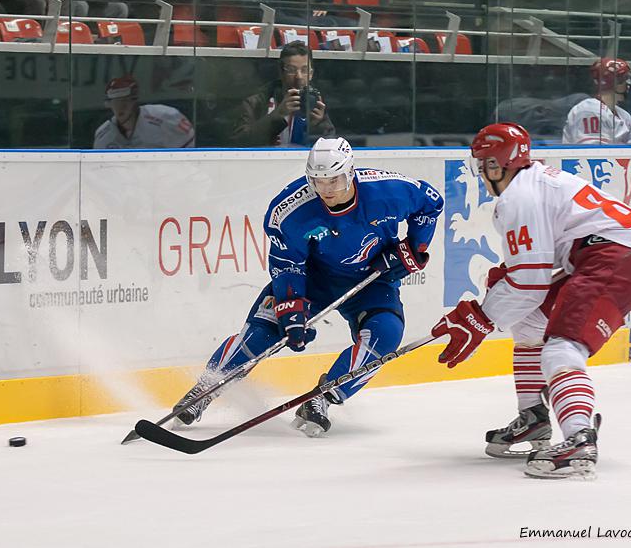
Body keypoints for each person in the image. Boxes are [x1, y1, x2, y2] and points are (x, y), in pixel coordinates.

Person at [430, 123, 631, 479]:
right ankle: (534, 418)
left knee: (561, 349)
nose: (481, 173)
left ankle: (578, 438)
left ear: (497, 165)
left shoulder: (517, 197)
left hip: (617, 259)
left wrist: (482, 317)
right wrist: (496, 297)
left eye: (484, 164)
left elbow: (529, 282)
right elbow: (531, 275)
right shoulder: (537, 180)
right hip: (620, 255)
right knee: (528, 323)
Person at [172, 137, 443, 437]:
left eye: (335, 181)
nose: (326, 190)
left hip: (371, 279)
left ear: (351, 172)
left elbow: (431, 204)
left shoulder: (389, 190)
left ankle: (322, 398)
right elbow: (287, 265)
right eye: (318, 181)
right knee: (264, 331)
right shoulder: (290, 211)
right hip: (313, 279)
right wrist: (291, 311)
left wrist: (414, 247)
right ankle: (206, 388)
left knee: (386, 334)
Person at [232, 41, 335, 147]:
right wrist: (278, 114)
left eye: (304, 70)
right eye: (291, 70)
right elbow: (239, 142)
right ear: (281, 72)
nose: (299, 76)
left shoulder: (315, 102)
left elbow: (330, 146)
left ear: (311, 74)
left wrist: (317, 125)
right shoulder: (257, 101)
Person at [93, 75, 195, 149]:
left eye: (125, 100)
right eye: (115, 101)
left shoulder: (165, 117)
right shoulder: (103, 134)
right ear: (108, 104)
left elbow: (189, 146)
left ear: (135, 100)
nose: (121, 106)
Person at [562, 57, 631, 145]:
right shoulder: (589, 111)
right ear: (613, 82)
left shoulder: (624, 115)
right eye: (624, 80)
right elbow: (592, 153)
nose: (628, 85)